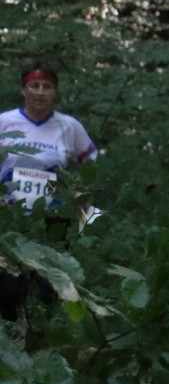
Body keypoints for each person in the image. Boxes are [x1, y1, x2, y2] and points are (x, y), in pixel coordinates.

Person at [0, 62, 99, 319]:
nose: (40, 92)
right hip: (9, 215)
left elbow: (92, 161)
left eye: (47, 87)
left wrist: (80, 194)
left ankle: (43, 332)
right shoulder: (5, 122)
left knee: (48, 286)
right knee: (8, 288)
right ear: (23, 90)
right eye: (34, 86)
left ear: (54, 92)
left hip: (51, 216)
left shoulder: (69, 126)